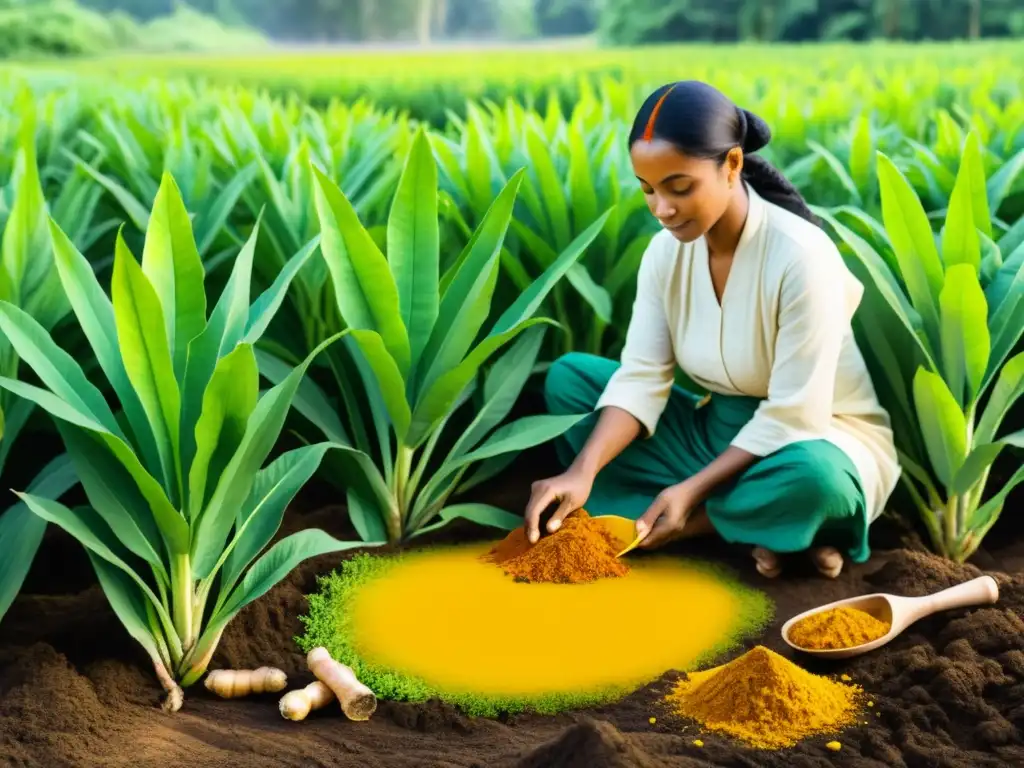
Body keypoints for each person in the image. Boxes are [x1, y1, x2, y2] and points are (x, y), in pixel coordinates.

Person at [524, 80, 901, 579]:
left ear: (733, 165)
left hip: (813, 439)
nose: (662, 209)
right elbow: (641, 376)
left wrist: (690, 491)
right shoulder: (664, 253)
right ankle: (766, 529)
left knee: (815, 483)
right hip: (713, 433)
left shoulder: (803, 258)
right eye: (649, 190)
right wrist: (582, 471)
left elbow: (793, 416)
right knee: (570, 380)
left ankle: (695, 523)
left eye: (680, 188)